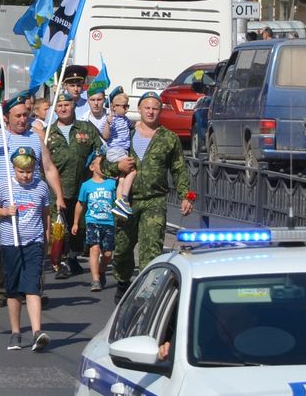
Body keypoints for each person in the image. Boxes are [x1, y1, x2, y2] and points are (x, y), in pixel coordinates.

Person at [101, 94, 193, 297]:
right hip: (127, 201)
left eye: (155, 108)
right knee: (124, 247)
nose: (151, 112)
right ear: (140, 109)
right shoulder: (126, 132)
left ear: (160, 111)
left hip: (155, 200)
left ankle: (147, 292)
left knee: (151, 248)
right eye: (147, 108)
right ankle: (123, 282)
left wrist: (185, 195)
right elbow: (103, 164)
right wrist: (119, 166)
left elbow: (179, 169)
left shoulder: (169, 138)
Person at [0, 147, 51, 352]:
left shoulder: (41, 187)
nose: (26, 176)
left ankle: (36, 332)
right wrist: (6, 211)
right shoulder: (3, 186)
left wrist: (47, 236)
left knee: (33, 286)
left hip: (34, 242)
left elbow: (45, 212)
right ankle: (16, 333)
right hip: (10, 243)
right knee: (14, 289)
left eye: (29, 171)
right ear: (14, 169)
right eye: (21, 171)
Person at [43, 90, 102, 278]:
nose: (63, 108)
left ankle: (73, 256)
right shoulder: (47, 133)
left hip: (82, 186)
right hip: (56, 189)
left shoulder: (86, 128)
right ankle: (60, 262)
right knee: (58, 226)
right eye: (59, 106)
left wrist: (98, 166)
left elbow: (100, 150)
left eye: (66, 105)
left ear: (73, 106)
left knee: (79, 226)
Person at [73, 151, 117, 292]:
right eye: (100, 164)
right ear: (92, 167)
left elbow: (118, 202)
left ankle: (101, 271)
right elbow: (80, 204)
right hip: (92, 221)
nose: (104, 166)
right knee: (95, 249)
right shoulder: (87, 185)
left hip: (109, 222)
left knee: (108, 253)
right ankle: (95, 279)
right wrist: (75, 222)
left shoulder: (112, 184)